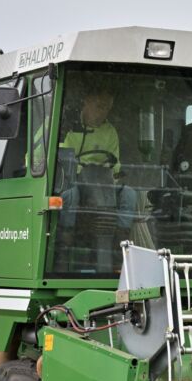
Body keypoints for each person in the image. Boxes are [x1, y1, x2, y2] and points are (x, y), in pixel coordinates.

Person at [55, 83, 138, 273]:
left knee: (130, 195)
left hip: (102, 183)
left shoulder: (110, 132)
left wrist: (107, 173)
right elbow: (39, 156)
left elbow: (115, 165)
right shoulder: (62, 126)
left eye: (107, 108)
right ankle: (64, 247)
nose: (103, 113)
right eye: (100, 106)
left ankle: (119, 248)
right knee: (70, 195)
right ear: (87, 101)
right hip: (70, 180)